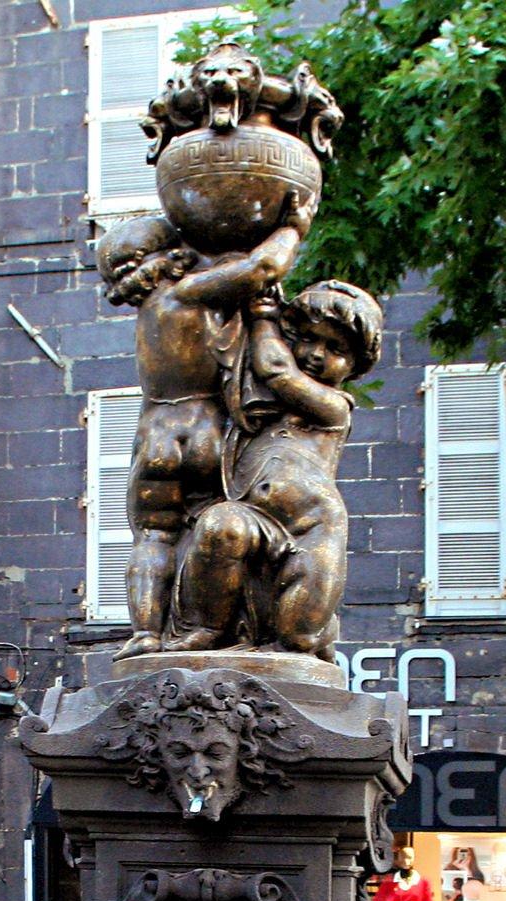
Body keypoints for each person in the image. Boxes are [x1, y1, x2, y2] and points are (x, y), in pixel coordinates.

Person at [94, 207, 310, 658]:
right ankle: (217, 625)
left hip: (155, 432)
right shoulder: (189, 293)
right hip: (205, 431)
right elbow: (263, 268)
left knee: (153, 537)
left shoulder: (150, 313)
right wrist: (293, 227)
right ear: (168, 256)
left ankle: (146, 634)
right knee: (216, 537)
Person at [168, 280, 381, 658]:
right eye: (310, 339)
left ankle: (320, 631)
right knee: (220, 526)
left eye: (335, 349)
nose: (316, 354)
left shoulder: (334, 407)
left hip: (311, 530)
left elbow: (276, 369)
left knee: (297, 640)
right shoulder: (262, 407)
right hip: (253, 516)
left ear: (355, 365)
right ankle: (206, 627)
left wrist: (263, 316)